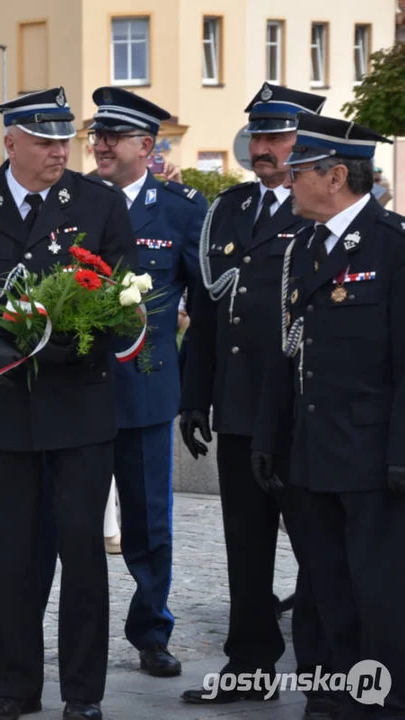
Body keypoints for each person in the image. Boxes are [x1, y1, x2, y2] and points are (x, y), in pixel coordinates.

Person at [0, 87, 137, 720]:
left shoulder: (99, 203)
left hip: (78, 406)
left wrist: (70, 348)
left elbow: (123, 299)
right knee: (9, 559)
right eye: (44, 141)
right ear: (11, 141)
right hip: (2, 413)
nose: (58, 152)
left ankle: (83, 694)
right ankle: (14, 689)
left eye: (63, 141)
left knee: (82, 556)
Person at [179, 83, 330, 713]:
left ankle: (326, 670)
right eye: (258, 137)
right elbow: (211, 314)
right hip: (240, 408)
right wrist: (195, 398)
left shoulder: (322, 207)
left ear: (307, 143)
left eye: (276, 137)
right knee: (244, 545)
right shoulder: (230, 208)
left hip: (300, 411)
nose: (262, 149)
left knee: (318, 547)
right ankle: (250, 664)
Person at [253, 114, 405, 719]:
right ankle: (331, 694)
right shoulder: (307, 248)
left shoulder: (392, 247)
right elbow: (287, 352)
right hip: (312, 452)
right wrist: (270, 436)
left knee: (380, 588)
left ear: (336, 175)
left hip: (371, 456)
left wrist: (401, 452)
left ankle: (387, 699)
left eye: (299, 172)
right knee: (323, 586)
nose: (288, 182)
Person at [88, 86, 207, 677]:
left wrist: (200, 393)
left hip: (146, 391)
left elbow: (204, 305)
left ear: (147, 145)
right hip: (77, 394)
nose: (101, 144)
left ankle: (151, 630)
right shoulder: (72, 200)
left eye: (114, 136)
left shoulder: (182, 209)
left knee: (148, 522)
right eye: (97, 134)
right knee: (73, 524)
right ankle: (79, 633)